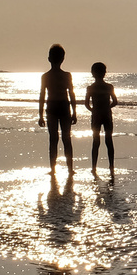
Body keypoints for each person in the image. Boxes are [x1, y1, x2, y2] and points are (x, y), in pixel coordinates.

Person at [37, 44, 77, 175]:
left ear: (49, 59)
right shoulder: (66, 75)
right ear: (63, 59)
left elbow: (42, 96)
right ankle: (69, 168)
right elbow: (71, 94)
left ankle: (53, 169)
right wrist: (74, 111)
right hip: (64, 107)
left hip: (52, 107)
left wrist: (40, 114)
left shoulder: (46, 76)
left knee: (53, 138)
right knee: (66, 138)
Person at [83, 61, 119, 176]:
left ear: (92, 73)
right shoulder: (109, 87)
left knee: (96, 141)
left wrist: (93, 110)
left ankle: (94, 167)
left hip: (96, 115)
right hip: (107, 114)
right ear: (105, 73)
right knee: (109, 140)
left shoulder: (91, 88)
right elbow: (115, 101)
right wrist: (107, 107)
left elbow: (87, 104)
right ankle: (111, 165)